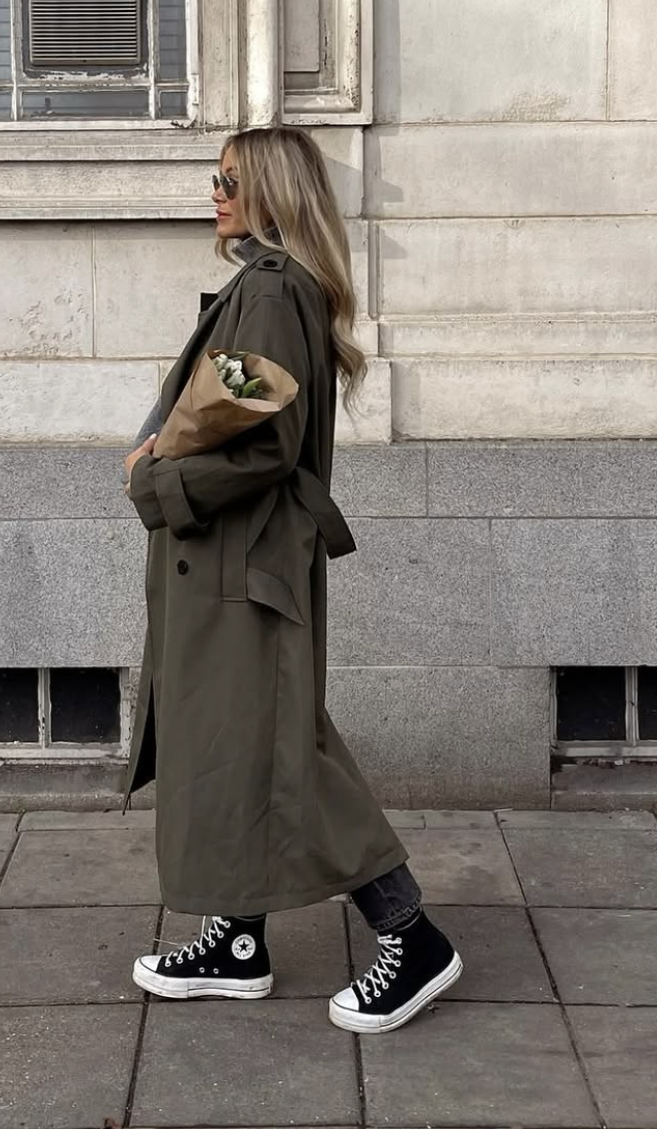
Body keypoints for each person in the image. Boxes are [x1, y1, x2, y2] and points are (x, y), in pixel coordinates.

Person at [122, 126, 462, 1034]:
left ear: (271, 191)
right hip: (239, 564)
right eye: (216, 177)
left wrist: (160, 483)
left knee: (281, 754)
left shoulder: (271, 291)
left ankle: (412, 938)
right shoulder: (269, 285)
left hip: (244, 567)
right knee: (235, 751)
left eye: (230, 179)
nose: (215, 191)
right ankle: (236, 942)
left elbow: (265, 444)